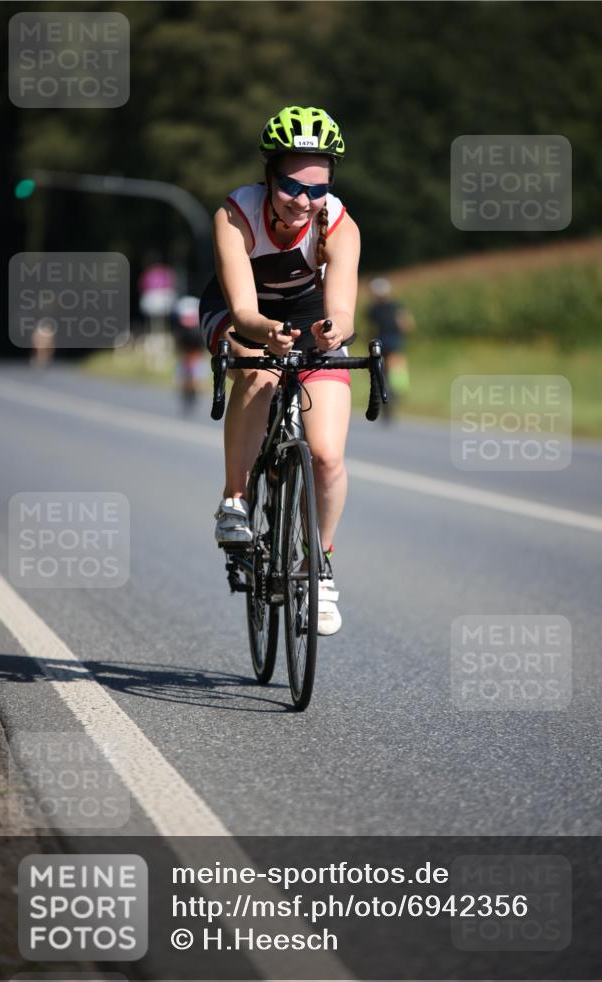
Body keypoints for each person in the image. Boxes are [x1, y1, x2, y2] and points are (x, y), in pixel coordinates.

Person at [199, 105, 360, 636]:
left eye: (317, 189)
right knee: (258, 371)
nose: (303, 201)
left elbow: (341, 312)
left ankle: (321, 569)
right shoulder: (235, 216)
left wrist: (332, 332)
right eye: (291, 185)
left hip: (306, 315)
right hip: (240, 308)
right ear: (268, 175)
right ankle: (235, 499)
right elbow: (245, 310)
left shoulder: (338, 224)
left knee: (328, 457)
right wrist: (261, 332)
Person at [367, 277, 414, 420]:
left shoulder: (373, 309)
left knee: (381, 371)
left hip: (379, 344)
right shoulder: (396, 306)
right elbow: (407, 324)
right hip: (395, 342)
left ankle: (385, 394)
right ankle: (397, 393)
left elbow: (370, 328)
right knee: (397, 370)